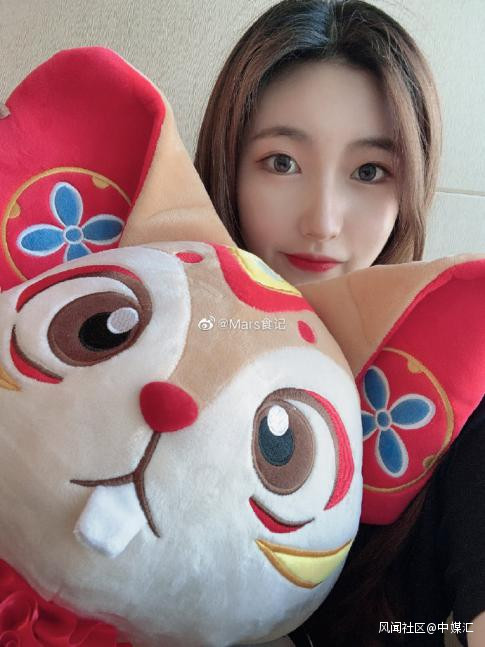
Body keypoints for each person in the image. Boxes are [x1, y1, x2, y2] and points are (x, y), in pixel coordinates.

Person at [194, 1, 485, 646]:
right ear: (226, 167)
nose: (322, 221)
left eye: (369, 171)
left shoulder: (456, 400)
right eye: (281, 162)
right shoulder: (147, 349)